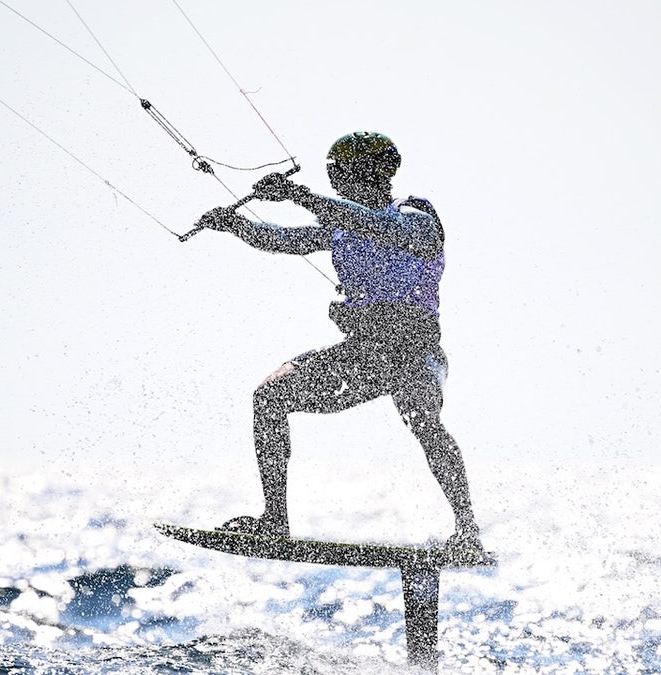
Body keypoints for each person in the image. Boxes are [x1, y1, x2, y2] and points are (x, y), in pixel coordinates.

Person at [195, 131, 482, 551]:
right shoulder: (340, 225)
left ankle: (467, 530)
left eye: (339, 177)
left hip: (413, 353)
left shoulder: (416, 216)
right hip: (363, 354)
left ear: (365, 174)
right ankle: (274, 521)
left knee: (423, 418)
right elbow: (282, 239)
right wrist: (234, 224)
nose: (337, 186)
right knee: (270, 396)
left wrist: (300, 195)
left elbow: (375, 225)